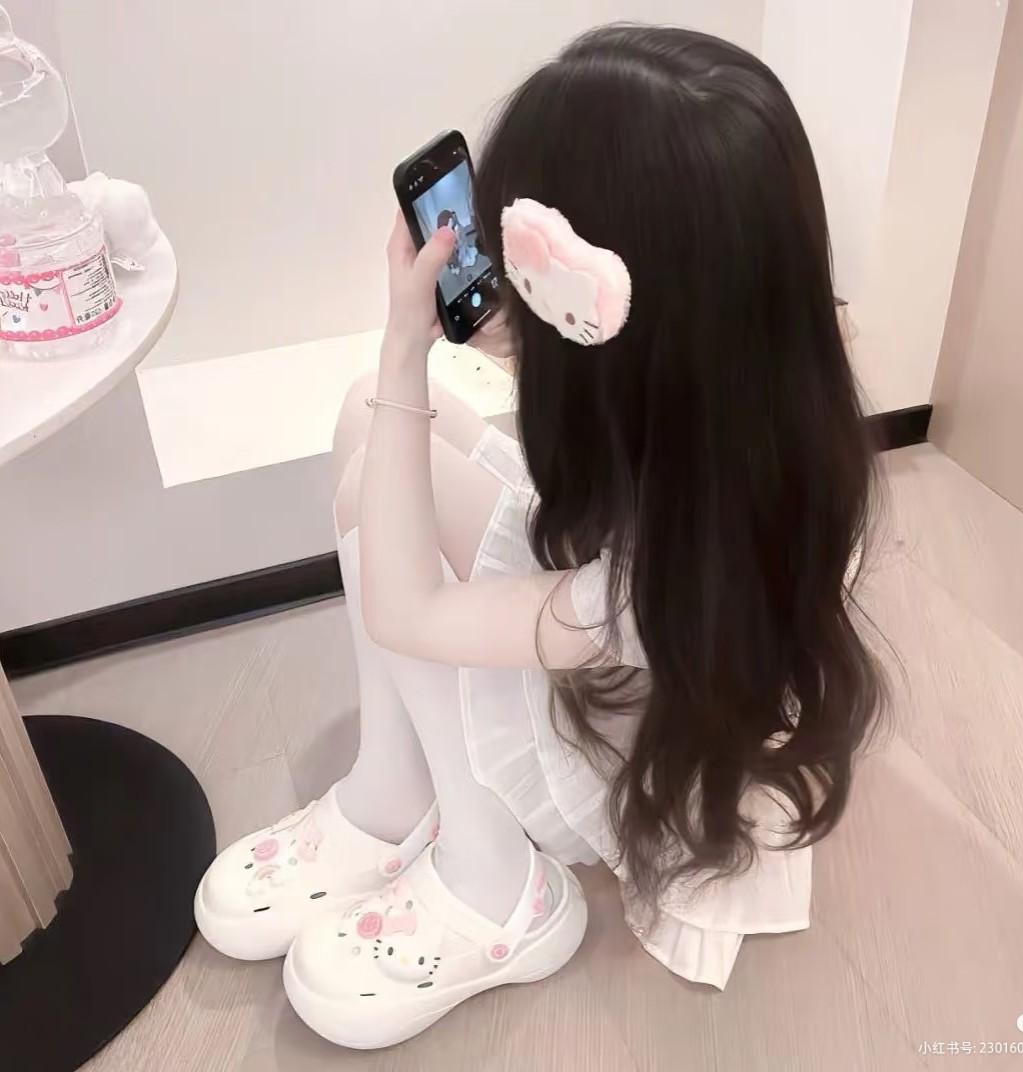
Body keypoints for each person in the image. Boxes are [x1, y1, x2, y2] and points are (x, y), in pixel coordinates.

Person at [194, 25, 883, 1049]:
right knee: (363, 417)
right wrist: (517, 338)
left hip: (614, 737)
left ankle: (496, 882)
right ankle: (396, 781)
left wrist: (406, 342)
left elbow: (408, 610)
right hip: (653, 642)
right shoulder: (764, 398)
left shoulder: (657, 577)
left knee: (381, 490)